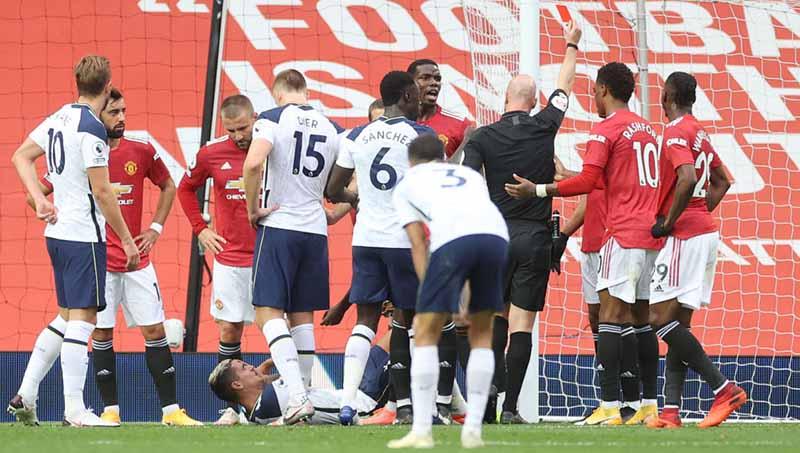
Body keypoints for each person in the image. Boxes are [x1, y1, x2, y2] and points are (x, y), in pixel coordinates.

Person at [26, 89, 201, 426]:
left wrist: (154, 228)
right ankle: (109, 410)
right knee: (101, 335)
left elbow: (168, 186)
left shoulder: (142, 150)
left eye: (123, 111)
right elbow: (38, 194)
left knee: (155, 331)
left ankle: (171, 411)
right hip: (98, 260)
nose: (121, 118)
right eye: (114, 112)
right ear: (98, 116)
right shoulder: (83, 151)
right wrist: (49, 210)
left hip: (137, 260)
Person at [509, 61, 662, 425]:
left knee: (609, 318)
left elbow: (591, 180)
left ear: (604, 90)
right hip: (649, 235)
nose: (593, 96)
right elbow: (612, 178)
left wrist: (540, 188)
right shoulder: (648, 130)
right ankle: (648, 405)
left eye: (594, 90)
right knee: (641, 320)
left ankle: (610, 406)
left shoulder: (606, 129)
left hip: (621, 233)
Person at [8, 55, 138, 427]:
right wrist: (127, 241)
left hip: (57, 236)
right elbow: (102, 190)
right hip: (83, 236)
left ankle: (26, 395)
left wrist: (41, 199)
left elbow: (20, 157)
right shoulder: (92, 128)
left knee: (66, 317)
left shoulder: (59, 117)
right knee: (85, 319)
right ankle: (75, 411)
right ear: (108, 83)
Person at [462, 21, 581, 424]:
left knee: (493, 320)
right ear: (533, 101)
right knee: (522, 325)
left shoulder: (481, 137)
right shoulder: (545, 124)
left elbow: (468, 182)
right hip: (533, 237)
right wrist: (570, 45)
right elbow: (565, 86)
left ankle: (489, 407)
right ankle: (512, 407)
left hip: (494, 237)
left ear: (505, 97)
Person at [388, 134, 509, 449]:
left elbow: (419, 242)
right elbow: (477, 219)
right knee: (481, 332)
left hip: (454, 239)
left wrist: (431, 296)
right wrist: (464, 297)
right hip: (496, 235)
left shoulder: (407, 183)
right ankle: (473, 431)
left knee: (425, 330)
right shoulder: (469, 174)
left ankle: (421, 431)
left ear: (411, 162)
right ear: (443, 158)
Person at [326, 70, 433, 426]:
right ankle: (418, 404)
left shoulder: (357, 134)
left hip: (366, 239)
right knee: (409, 322)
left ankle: (347, 402)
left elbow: (334, 188)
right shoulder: (420, 135)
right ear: (405, 96)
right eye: (416, 96)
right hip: (404, 240)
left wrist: (357, 197)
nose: (420, 102)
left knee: (366, 321)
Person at [242, 69, 344, 425]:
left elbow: (254, 162)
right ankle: (303, 396)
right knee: (302, 317)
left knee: (267, 313)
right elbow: (351, 179)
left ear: (279, 93)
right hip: (315, 231)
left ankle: (297, 397)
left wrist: (252, 208)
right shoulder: (333, 127)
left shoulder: (273, 118)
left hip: (280, 226)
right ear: (305, 90)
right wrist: (336, 212)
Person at [647, 72, 744, 429]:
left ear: (669, 95)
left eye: (661, 92)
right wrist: (701, 213)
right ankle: (671, 412)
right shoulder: (698, 130)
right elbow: (723, 180)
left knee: (657, 318)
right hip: (704, 233)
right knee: (678, 322)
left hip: (685, 236)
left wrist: (672, 221)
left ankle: (724, 388)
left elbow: (687, 177)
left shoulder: (675, 131)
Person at [177, 94, 257, 425]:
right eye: (233, 130)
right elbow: (184, 189)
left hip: (270, 254)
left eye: (243, 127)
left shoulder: (271, 145)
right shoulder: (211, 154)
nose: (239, 135)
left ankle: (294, 399)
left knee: (282, 327)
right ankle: (234, 409)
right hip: (230, 259)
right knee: (229, 328)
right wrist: (200, 229)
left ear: (255, 117)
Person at [408, 58, 475, 418]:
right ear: (410, 82)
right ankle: (448, 404)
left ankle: (444, 402)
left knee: (450, 317)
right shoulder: (396, 125)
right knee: (409, 318)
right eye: (425, 78)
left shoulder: (459, 127)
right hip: (403, 235)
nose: (433, 83)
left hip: (443, 235)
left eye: (437, 78)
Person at [208, 346, 388, 426]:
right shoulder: (272, 399)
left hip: (355, 392)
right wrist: (272, 362)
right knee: (401, 339)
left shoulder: (251, 414)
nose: (252, 367)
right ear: (237, 384)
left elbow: (240, 416)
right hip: (364, 403)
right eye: (244, 367)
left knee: (383, 346)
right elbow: (298, 370)